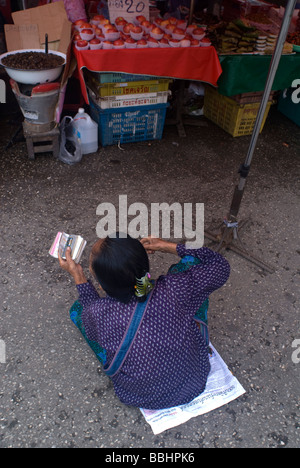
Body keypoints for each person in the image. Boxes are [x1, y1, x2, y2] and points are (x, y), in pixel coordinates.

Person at [58, 234, 230, 410]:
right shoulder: (175, 288)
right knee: (192, 268)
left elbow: (94, 333)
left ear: (102, 286)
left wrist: (79, 277)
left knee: (78, 311)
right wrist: (167, 246)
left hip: (141, 396)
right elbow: (220, 265)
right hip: (196, 379)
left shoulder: (97, 313)